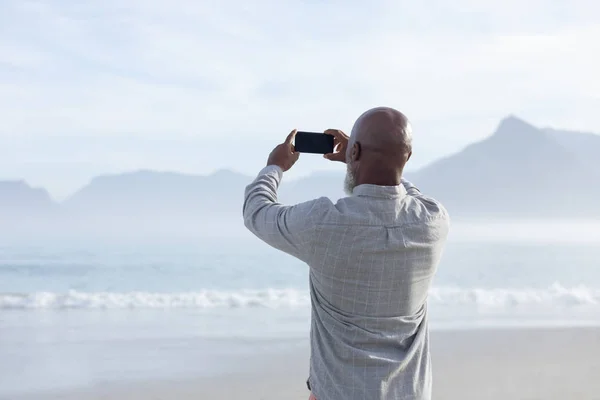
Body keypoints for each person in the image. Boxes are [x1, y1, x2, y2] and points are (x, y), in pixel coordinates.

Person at [242, 107, 450, 400]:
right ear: (408, 157)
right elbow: (406, 188)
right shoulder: (433, 221)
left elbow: (257, 211)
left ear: (354, 152)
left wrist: (274, 167)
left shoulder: (324, 222)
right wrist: (364, 154)